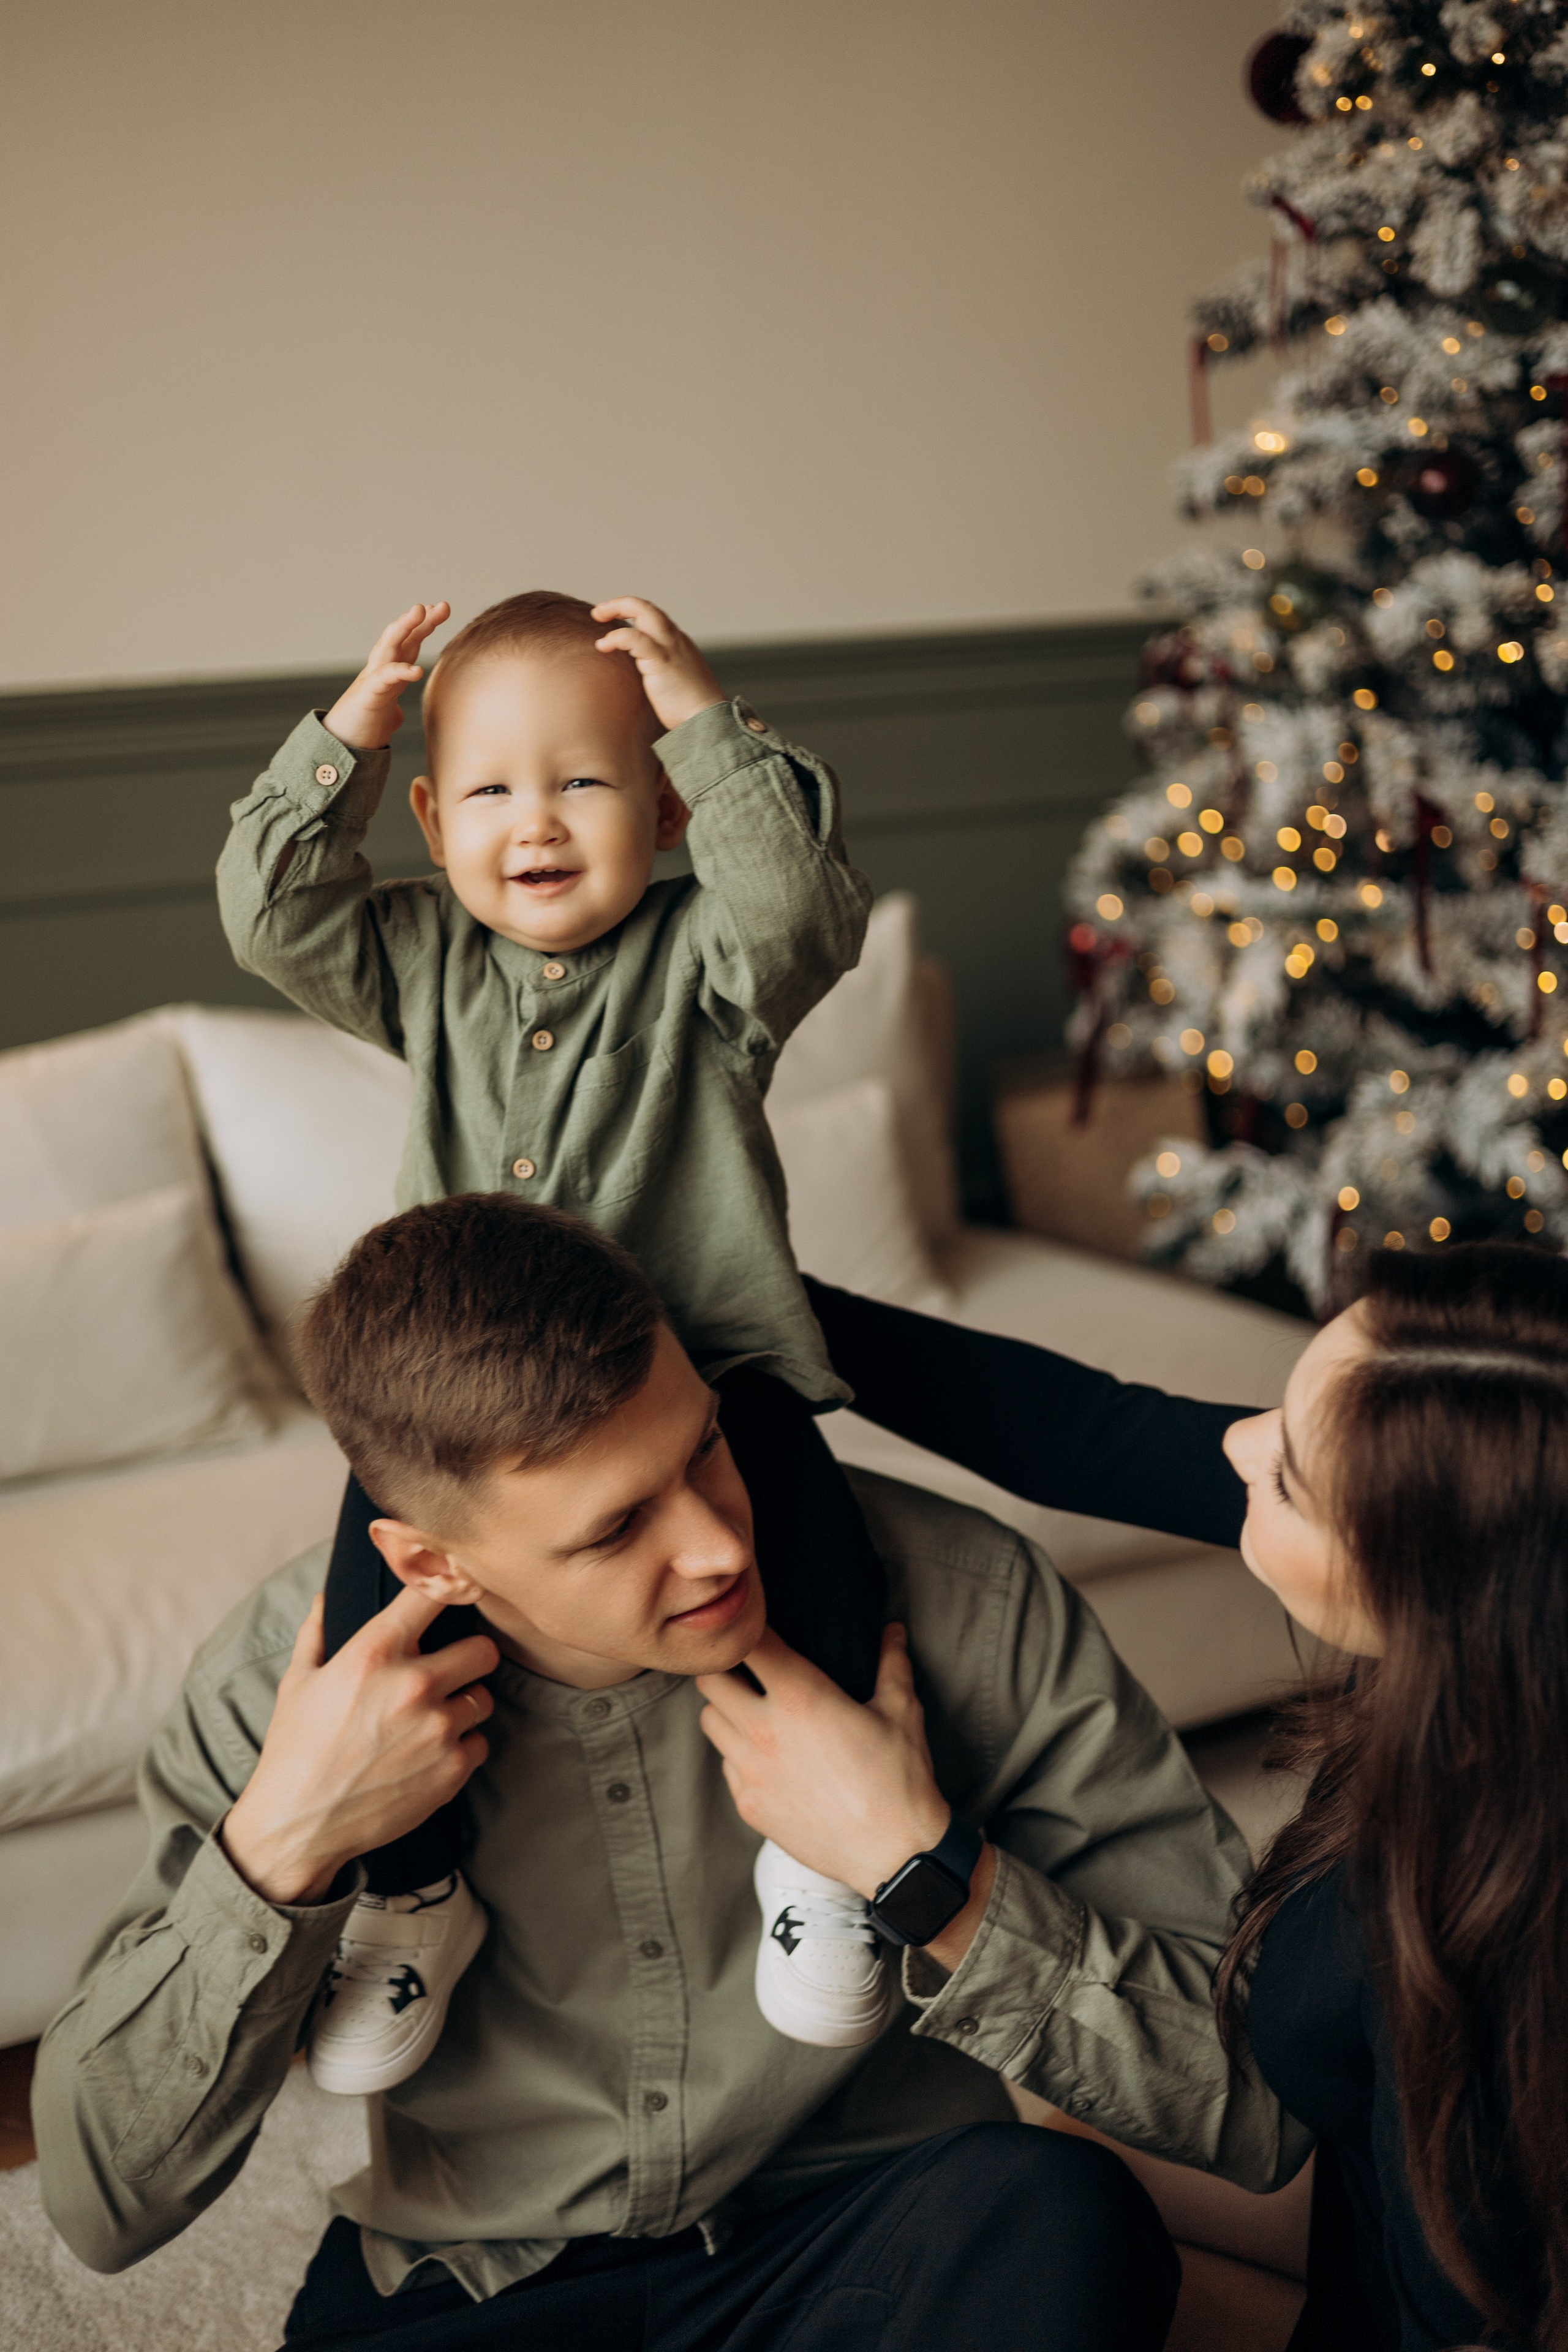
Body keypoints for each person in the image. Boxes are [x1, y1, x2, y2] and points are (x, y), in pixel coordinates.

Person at [32, 1195, 1305, 2351]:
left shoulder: (965, 1604)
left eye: (701, 1448)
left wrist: (931, 1878)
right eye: (614, 1527)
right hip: (471, 2283)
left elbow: (1254, 2107)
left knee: (1056, 2219)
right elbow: (100, 2204)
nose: (712, 1545)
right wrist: (283, 1848)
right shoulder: (285, 1686)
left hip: (873, 2241)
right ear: (430, 1567)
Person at [216, 591, 889, 2082]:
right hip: (468, 1415)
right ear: (430, 817)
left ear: (658, 810)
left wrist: (709, 727)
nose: (537, 821)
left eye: (584, 780)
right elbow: (271, 915)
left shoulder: (712, 966)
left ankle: (824, 1863)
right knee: (372, 1621)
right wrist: (344, 737)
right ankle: (414, 1896)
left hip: (704, 1380)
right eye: (491, 790)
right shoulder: (421, 965)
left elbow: (799, 907)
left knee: (822, 1573)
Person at [809, 1248, 1568, 2351]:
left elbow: (1467, 2316)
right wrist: (755, 1302)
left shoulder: (1484, 1920)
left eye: (1288, 1481)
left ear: (1431, 1595)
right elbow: (1091, 1429)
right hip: (1361, 2198)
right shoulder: (1520, 1580)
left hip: (1422, 2300)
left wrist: (918, 1866)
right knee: (1040, 2166)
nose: (1235, 1445)